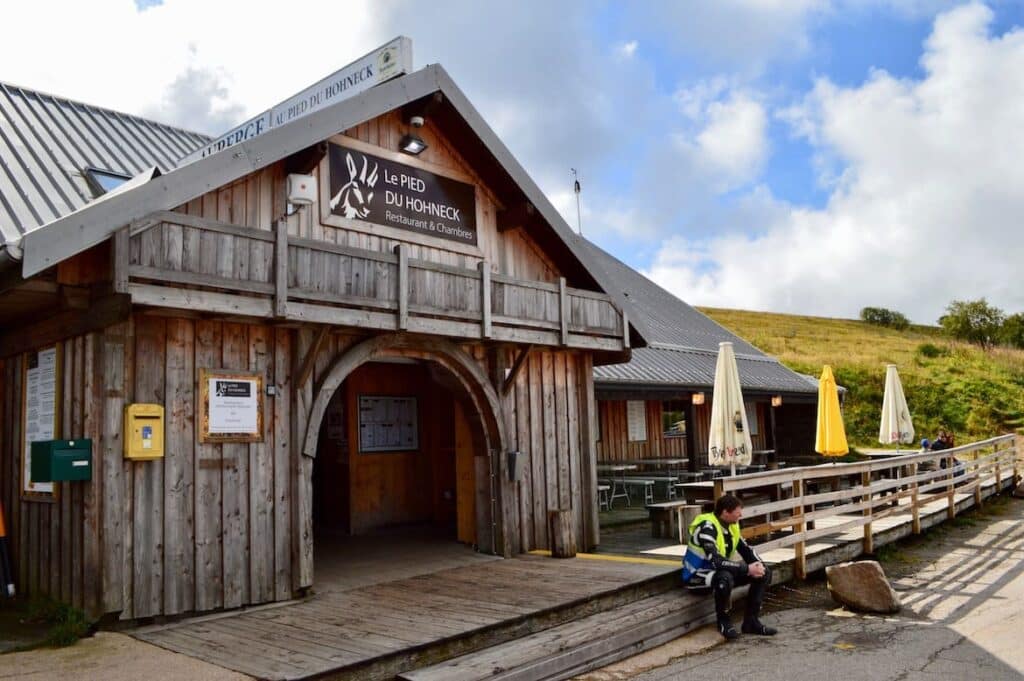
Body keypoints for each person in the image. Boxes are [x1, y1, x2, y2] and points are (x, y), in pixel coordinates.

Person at [682, 494, 777, 640]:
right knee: (724, 579)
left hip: (718, 572)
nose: (741, 515)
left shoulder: (731, 526)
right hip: (696, 576)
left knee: (763, 573)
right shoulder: (707, 527)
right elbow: (717, 562)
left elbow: (746, 550)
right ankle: (723, 621)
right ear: (725, 512)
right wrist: (747, 569)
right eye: (737, 512)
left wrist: (759, 566)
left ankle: (751, 622)